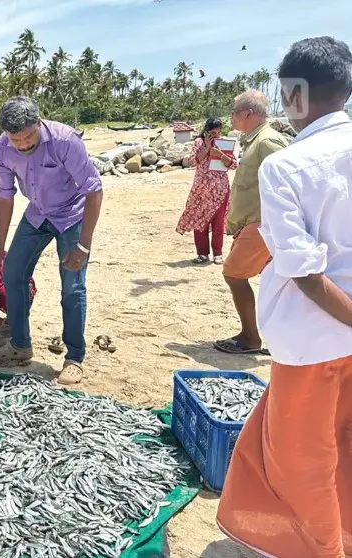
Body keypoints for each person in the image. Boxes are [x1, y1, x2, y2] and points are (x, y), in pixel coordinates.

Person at [217, 36, 352, 558]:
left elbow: (303, 272)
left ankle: (324, 550)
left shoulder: (287, 164)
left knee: (303, 460)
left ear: (294, 94)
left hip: (314, 340)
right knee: (344, 440)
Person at [0, 96, 103, 384]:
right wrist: (0, 247)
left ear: (39, 124)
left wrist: (83, 245)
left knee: (72, 287)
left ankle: (74, 357)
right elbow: (4, 195)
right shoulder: (2, 148)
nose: (22, 145)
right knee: (12, 272)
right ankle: (20, 345)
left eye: (28, 137)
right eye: (16, 140)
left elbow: (94, 190)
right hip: (37, 212)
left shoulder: (65, 140)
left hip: (71, 214)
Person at [213, 91, 289, 355]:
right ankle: (275, 339)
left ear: (247, 114)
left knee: (234, 274)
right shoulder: (256, 141)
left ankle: (250, 337)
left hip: (262, 222)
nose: (231, 117)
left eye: (234, 112)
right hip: (257, 222)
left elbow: (287, 181)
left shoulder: (267, 142)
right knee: (274, 281)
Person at [177, 117, 237, 265]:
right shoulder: (199, 143)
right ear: (206, 131)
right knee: (199, 221)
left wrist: (220, 154)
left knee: (218, 223)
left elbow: (233, 165)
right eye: (212, 133)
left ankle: (218, 253)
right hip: (201, 189)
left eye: (218, 132)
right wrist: (207, 149)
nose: (216, 135)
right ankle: (202, 253)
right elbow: (192, 162)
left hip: (220, 189)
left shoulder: (224, 143)